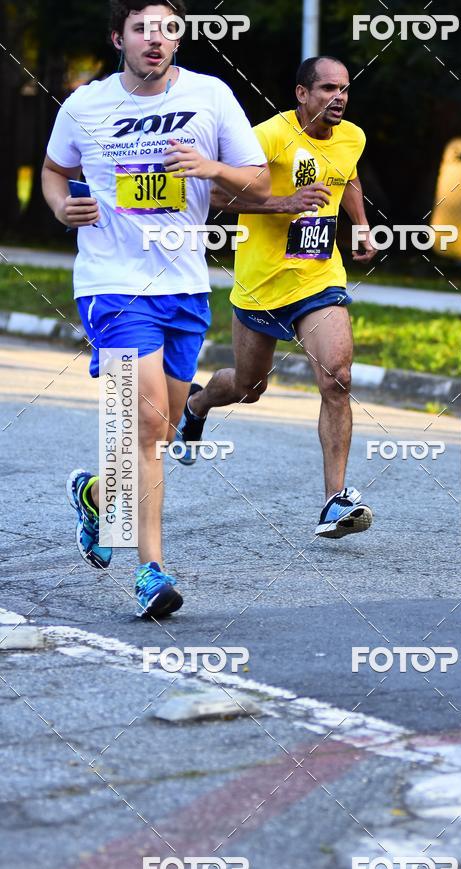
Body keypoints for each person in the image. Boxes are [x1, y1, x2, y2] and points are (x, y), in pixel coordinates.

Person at [42, 0, 269, 617]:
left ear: (179, 39)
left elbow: (262, 184)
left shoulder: (212, 97)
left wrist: (211, 166)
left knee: (162, 432)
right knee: (143, 430)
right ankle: (151, 572)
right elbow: (54, 170)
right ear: (119, 36)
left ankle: (94, 492)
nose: (156, 39)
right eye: (142, 28)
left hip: (184, 286)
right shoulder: (85, 105)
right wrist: (62, 206)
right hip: (112, 287)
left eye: (168, 28)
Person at [179, 56, 377, 538]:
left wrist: (363, 227)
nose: (339, 97)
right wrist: (281, 203)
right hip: (261, 282)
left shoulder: (353, 136)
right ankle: (197, 405)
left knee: (338, 377)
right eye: (328, 88)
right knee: (249, 388)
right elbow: (217, 196)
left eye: (345, 89)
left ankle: (334, 500)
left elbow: (346, 175)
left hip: (318, 278)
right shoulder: (267, 136)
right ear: (301, 93)